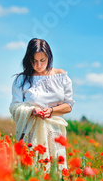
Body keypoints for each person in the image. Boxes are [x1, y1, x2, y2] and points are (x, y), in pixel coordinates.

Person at [9, 38, 75, 172]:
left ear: (49, 57)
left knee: (56, 171)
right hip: (30, 130)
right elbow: (14, 107)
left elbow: (68, 105)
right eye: (34, 61)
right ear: (29, 59)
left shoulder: (61, 76)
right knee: (31, 169)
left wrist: (51, 111)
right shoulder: (21, 80)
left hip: (54, 131)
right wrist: (32, 110)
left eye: (42, 60)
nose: (39, 65)